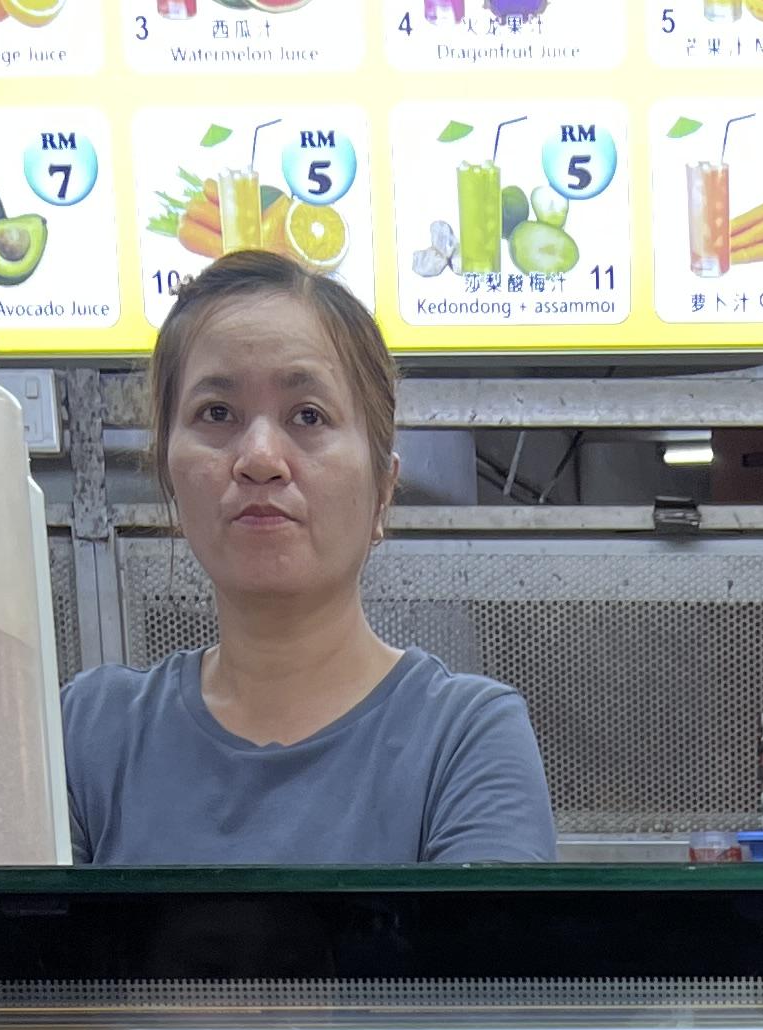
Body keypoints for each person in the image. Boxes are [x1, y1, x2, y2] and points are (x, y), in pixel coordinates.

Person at [65, 252, 555, 867]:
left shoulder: (464, 738)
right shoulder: (90, 732)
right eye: (217, 414)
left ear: (383, 489)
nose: (259, 458)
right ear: (168, 474)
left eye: (308, 416)